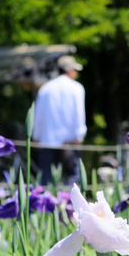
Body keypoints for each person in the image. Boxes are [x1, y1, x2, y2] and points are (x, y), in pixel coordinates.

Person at [32, 55, 87, 185]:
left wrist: (36, 136)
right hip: (69, 141)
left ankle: (45, 205)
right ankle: (70, 204)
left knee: (45, 177)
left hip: (47, 140)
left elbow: (38, 115)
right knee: (72, 179)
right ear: (69, 70)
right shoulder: (76, 88)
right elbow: (79, 113)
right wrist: (79, 134)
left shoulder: (46, 88)